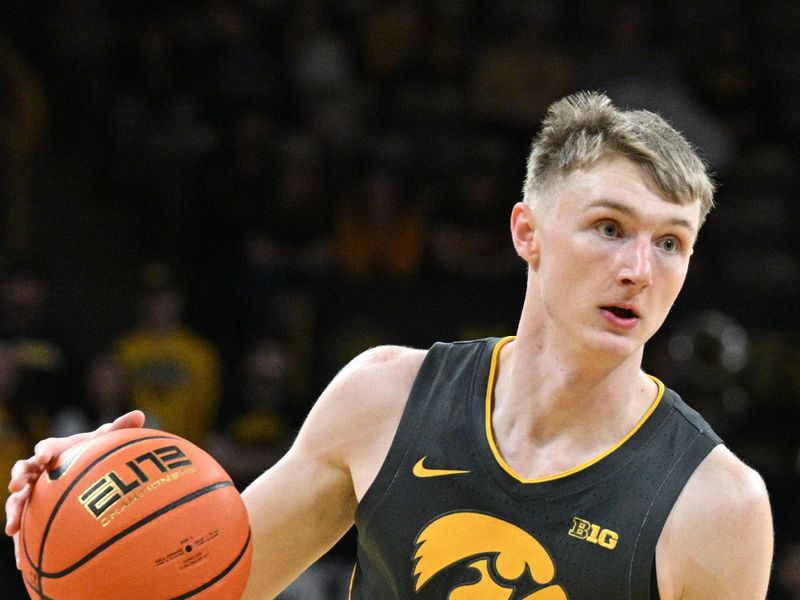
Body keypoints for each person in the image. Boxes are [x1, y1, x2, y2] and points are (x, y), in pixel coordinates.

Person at [6, 92, 773, 599]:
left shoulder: (716, 505)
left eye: (671, 242)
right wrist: (85, 506)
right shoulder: (383, 398)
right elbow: (206, 584)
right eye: (609, 228)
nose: (639, 270)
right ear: (526, 233)